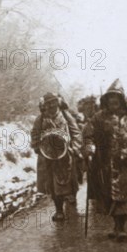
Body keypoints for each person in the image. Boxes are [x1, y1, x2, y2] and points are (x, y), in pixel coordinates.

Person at [83, 79, 127, 241]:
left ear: (121, 100)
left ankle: (121, 227)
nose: (114, 102)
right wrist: (89, 147)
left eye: (117, 98)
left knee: (124, 196)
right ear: (106, 100)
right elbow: (88, 134)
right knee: (109, 196)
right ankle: (116, 225)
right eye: (111, 98)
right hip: (106, 164)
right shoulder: (99, 117)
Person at [31, 93, 82, 221]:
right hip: (48, 156)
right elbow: (35, 134)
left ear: (58, 102)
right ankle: (59, 210)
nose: (51, 105)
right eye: (48, 103)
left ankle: (72, 196)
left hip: (66, 155)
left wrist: (75, 147)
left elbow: (75, 132)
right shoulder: (41, 119)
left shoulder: (65, 115)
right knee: (52, 184)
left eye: (54, 102)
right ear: (45, 104)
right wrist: (37, 146)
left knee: (69, 180)